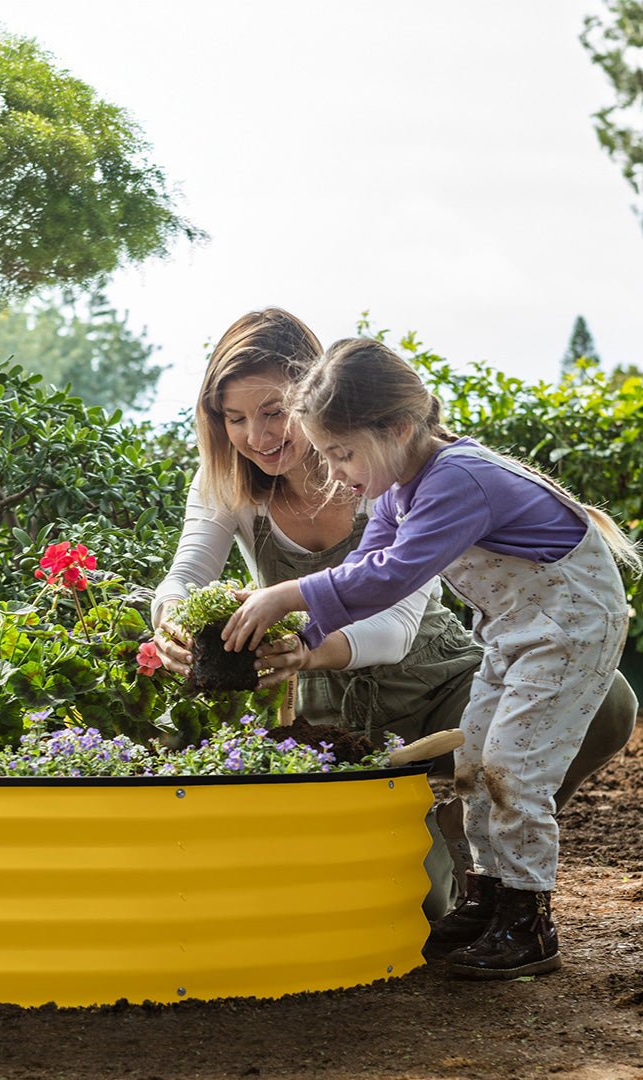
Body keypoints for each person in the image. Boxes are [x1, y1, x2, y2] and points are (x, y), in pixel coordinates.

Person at [220, 336, 640, 980]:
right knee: (475, 764)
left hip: (571, 627)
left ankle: (528, 920)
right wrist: (303, 636)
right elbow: (363, 569)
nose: (336, 473)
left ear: (399, 427)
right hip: (516, 630)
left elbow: (391, 575)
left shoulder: (455, 480)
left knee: (514, 770)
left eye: (343, 453)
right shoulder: (395, 490)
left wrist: (289, 594)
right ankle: (488, 895)